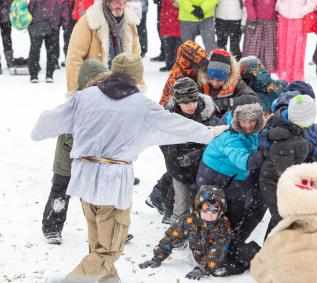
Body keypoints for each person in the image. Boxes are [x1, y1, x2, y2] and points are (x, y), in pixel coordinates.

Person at [31, 53, 228, 282]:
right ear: (137, 77)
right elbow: (177, 126)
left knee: (98, 246)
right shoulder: (140, 105)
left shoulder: (84, 97)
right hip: (112, 184)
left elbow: (44, 126)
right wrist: (209, 133)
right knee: (109, 250)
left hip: (84, 180)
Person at [42, 59, 110, 245]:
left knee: (98, 195)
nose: (99, 88)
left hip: (92, 158)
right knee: (60, 192)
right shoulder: (75, 103)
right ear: (85, 83)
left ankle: (107, 228)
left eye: (103, 83)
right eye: (95, 83)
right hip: (67, 157)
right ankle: (52, 227)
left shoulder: (106, 103)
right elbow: (68, 132)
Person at [197, 103, 265, 275]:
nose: (248, 125)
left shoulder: (253, 132)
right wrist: (265, 153)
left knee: (235, 213)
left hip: (233, 178)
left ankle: (228, 244)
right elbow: (245, 161)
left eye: (252, 121)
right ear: (237, 120)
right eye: (244, 121)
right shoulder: (231, 137)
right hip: (216, 178)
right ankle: (214, 249)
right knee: (215, 214)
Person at [139, 185, 232, 280]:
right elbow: (170, 237)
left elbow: (218, 250)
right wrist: (157, 257)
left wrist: (202, 268)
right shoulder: (188, 220)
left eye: (214, 212)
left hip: (221, 261)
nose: (209, 216)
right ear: (198, 208)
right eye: (205, 211)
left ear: (220, 211)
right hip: (199, 253)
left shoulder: (222, 226)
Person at [161, 77, 220, 223]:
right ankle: (178, 232)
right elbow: (162, 142)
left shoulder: (207, 115)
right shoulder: (168, 119)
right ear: (177, 101)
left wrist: (198, 154)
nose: (191, 105)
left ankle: (198, 231)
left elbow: (215, 139)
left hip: (203, 169)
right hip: (178, 169)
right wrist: (173, 157)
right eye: (186, 103)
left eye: (193, 101)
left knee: (202, 203)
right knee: (181, 203)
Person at [259, 94, 315, 236]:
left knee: (282, 218)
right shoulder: (286, 139)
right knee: (282, 218)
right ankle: (270, 252)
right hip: (273, 181)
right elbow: (286, 172)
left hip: (283, 178)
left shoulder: (293, 123)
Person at [66, 0, 141, 92]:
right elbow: (74, 57)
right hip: (94, 88)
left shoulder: (130, 22)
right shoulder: (89, 21)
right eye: (117, 2)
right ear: (107, 2)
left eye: (124, 2)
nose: (121, 7)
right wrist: (76, 89)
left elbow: (135, 58)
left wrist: (138, 85)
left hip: (122, 89)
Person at [197, 48, 257, 117]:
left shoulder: (236, 82)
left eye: (219, 80)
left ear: (228, 77)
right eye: (211, 78)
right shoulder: (201, 82)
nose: (214, 83)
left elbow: (254, 99)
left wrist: (227, 103)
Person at [275, 0, 317, 82]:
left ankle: (296, 75)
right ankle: (283, 74)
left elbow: (314, 1)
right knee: (283, 47)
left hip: (299, 19)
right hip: (283, 17)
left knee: (298, 47)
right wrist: (279, 6)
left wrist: (303, 10)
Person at [28, 0, 68, 83]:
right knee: (51, 51)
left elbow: (31, 7)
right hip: (52, 23)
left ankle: (34, 74)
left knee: (35, 50)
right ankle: (49, 74)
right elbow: (63, 8)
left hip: (39, 22)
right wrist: (64, 21)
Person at [243, 0, 277, 73]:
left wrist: (276, 14)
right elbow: (248, 2)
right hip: (256, 21)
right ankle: (250, 66)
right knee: (254, 45)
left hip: (270, 20)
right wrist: (252, 17)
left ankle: (268, 66)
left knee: (268, 46)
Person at [158, 0, 182, 72]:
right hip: (168, 17)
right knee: (170, 44)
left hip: (173, 16)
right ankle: (170, 64)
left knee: (174, 44)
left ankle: (173, 64)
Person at [0, 0, 14, 73]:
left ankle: (10, 61)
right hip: (6, 18)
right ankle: (10, 61)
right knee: (7, 40)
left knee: (7, 40)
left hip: (6, 19)